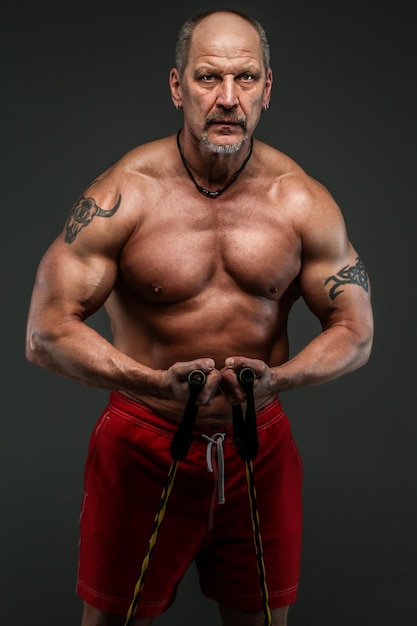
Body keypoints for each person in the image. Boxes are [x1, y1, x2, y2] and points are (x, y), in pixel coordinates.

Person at [25, 9, 373, 626]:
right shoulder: (124, 195)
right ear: (177, 86)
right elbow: (46, 332)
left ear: (269, 87)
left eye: (245, 79)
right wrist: (151, 383)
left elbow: (356, 330)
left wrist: (282, 379)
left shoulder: (301, 200)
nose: (228, 99)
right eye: (209, 78)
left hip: (256, 447)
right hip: (144, 442)